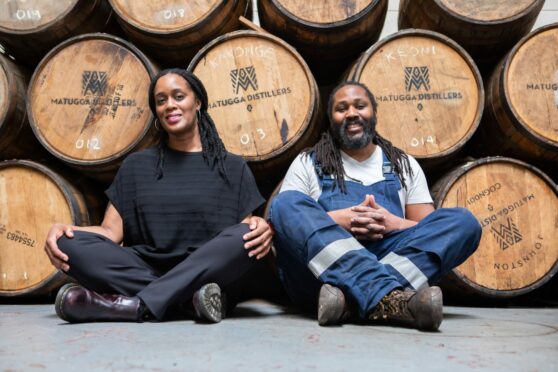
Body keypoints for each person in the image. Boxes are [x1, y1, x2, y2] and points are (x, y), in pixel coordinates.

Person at [45, 68, 273, 324]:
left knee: (244, 236)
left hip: (207, 273)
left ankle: (137, 304)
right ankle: (186, 301)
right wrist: (67, 230)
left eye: (178, 96)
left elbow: (240, 240)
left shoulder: (232, 167)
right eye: (161, 100)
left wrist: (258, 228)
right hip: (152, 271)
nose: (170, 106)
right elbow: (110, 233)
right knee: (68, 244)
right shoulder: (136, 166)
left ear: (197, 102)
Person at [268, 81, 481, 331]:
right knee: (284, 203)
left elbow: (427, 229)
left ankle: (350, 301)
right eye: (342, 108)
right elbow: (286, 222)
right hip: (321, 275)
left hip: (343, 284)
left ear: (374, 113)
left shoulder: (404, 164)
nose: (352, 113)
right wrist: (340, 220)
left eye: (360, 105)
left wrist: (394, 223)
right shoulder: (308, 162)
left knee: (463, 223)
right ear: (331, 118)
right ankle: (387, 297)